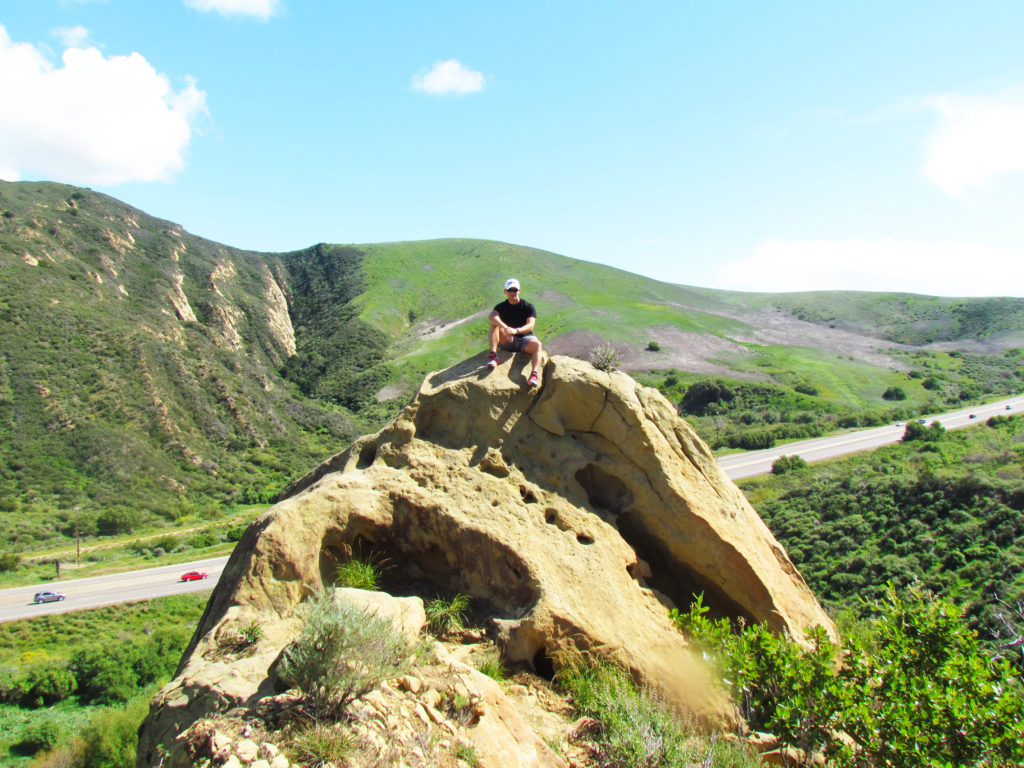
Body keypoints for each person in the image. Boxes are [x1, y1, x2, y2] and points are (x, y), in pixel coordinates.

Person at [488, 278, 542, 387]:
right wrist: (507, 328)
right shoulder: (501, 307)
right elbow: (491, 316)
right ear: (505, 291)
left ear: (519, 290)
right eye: (510, 290)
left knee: (537, 345)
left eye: (515, 290)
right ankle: (493, 355)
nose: (513, 293)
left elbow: (530, 325)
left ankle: (534, 374)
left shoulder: (528, 306)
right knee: (494, 325)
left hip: (524, 340)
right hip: (506, 340)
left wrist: (516, 331)